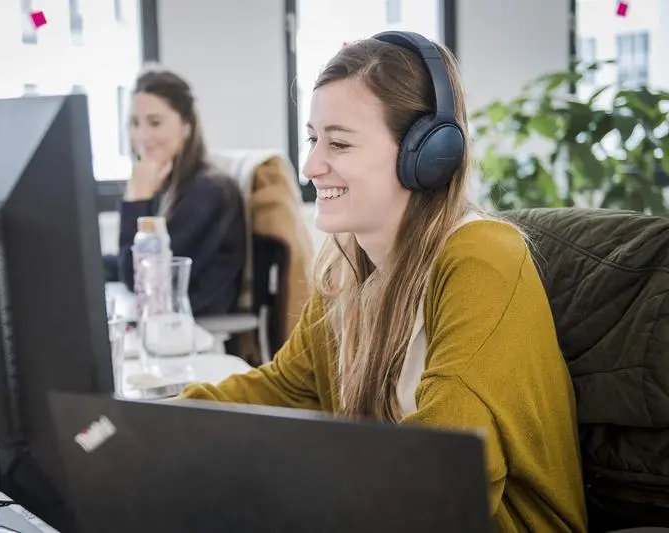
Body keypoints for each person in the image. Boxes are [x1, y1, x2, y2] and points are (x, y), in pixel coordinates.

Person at [180, 32, 587, 531]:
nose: (310, 166)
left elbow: (442, 471)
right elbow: (285, 389)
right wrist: (160, 425)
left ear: (427, 154)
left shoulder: (482, 259)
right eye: (313, 138)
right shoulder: (346, 267)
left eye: (340, 143)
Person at [118, 68, 246, 316]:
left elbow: (140, 279)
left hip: (193, 326)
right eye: (135, 123)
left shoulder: (207, 191)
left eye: (155, 122)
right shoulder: (169, 184)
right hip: (170, 318)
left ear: (186, 126)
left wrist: (137, 201)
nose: (142, 135)